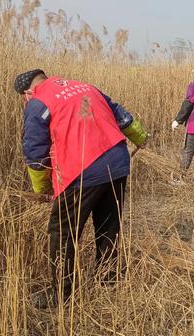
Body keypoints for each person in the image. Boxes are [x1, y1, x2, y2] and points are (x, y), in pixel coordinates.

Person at [14, 69, 148, 308]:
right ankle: (108, 280)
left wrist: (42, 188)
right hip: (117, 163)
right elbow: (121, 116)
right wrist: (140, 137)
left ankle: (62, 295)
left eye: (23, 97)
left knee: (63, 233)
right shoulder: (86, 88)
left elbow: (34, 153)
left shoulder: (37, 102)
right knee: (108, 226)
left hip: (82, 170)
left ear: (27, 92)